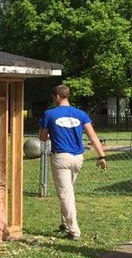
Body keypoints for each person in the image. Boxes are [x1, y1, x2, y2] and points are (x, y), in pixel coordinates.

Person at [39, 84, 107, 240]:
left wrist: (51, 135)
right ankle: (65, 222)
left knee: (66, 194)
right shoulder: (81, 114)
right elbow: (93, 137)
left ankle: (74, 231)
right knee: (68, 192)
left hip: (61, 158)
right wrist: (101, 156)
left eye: (53, 97)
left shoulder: (49, 114)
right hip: (77, 159)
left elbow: (42, 138)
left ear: (56, 96)